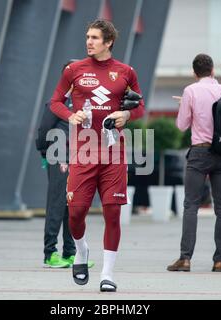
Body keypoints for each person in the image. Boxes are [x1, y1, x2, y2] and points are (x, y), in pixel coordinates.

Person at [50, 19, 145, 292]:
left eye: (94, 38)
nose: (89, 41)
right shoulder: (74, 70)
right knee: (76, 213)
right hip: (83, 151)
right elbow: (55, 101)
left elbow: (139, 106)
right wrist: (71, 115)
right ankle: (81, 250)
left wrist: (125, 114)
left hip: (114, 152)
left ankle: (108, 274)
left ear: (108, 42)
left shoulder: (125, 72)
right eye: (87, 37)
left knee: (112, 213)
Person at [167, 54, 221, 272]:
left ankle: (185, 258)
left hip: (199, 153)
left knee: (191, 205)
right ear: (213, 70)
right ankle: (219, 260)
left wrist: (185, 106)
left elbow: (182, 125)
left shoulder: (190, 91)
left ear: (195, 73)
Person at [36, 60, 94, 269]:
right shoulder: (58, 102)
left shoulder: (87, 102)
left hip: (81, 159)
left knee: (74, 205)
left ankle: (71, 253)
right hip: (59, 155)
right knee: (57, 203)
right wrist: (44, 152)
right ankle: (50, 253)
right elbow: (44, 130)